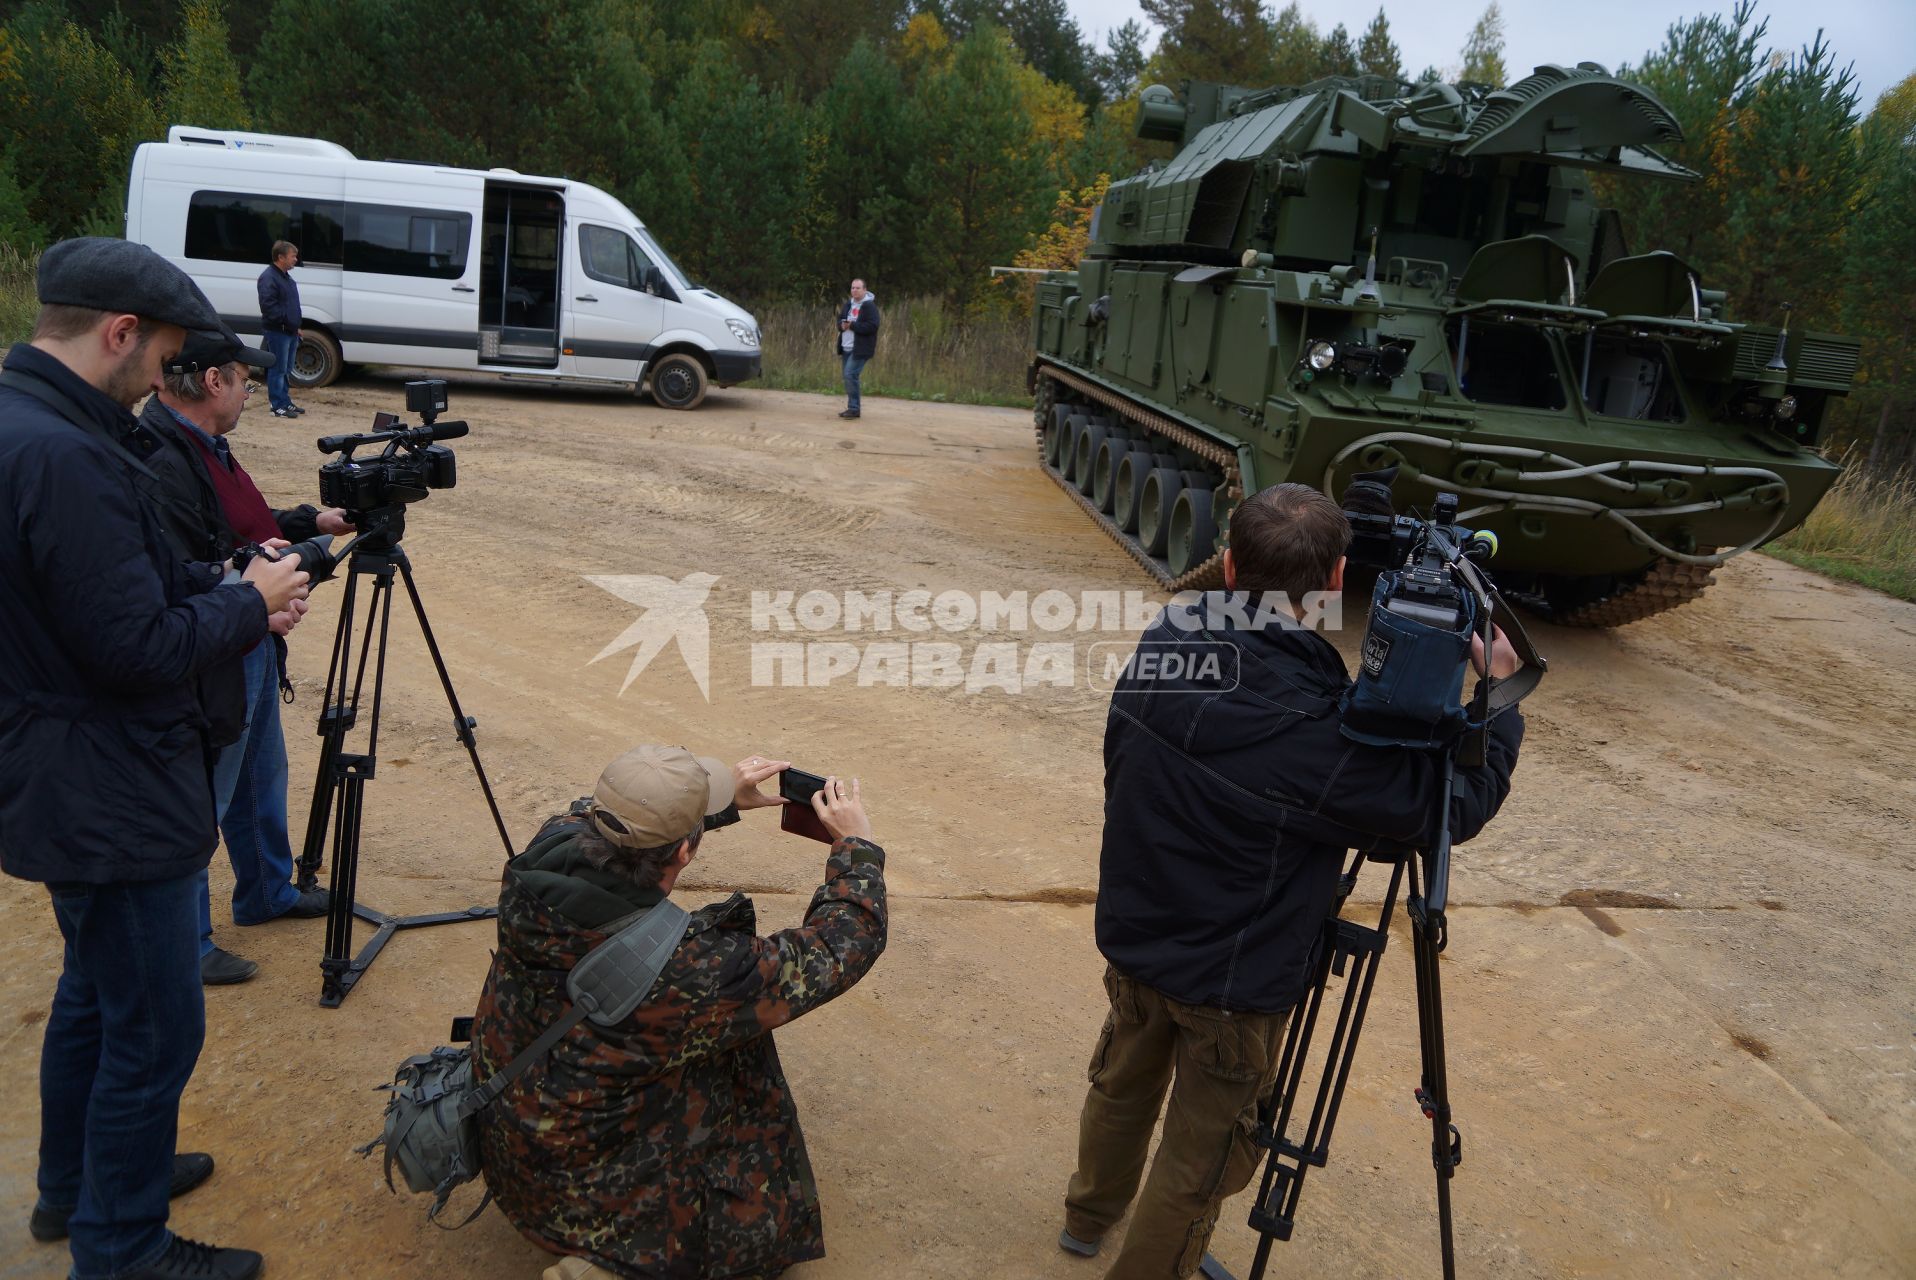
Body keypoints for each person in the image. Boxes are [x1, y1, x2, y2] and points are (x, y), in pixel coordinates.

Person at [1059, 483, 1525, 1278]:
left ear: (1230, 564)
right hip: (1233, 984)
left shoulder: (1172, 631)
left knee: (1121, 1083)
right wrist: (1501, 699)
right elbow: (1446, 809)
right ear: (1340, 581)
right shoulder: (1322, 735)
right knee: (1198, 1158)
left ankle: (1087, 1217)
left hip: (1137, 935)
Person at [1, 237, 310, 1280]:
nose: (162, 376)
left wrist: (222, 571)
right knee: (152, 1026)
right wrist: (246, 604)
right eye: (159, 353)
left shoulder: (30, 422)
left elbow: (105, 584)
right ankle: (122, 1242)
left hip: (66, 773)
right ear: (119, 333)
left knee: (95, 993)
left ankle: (72, 1188)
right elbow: (131, 647)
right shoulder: (67, 451)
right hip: (111, 785)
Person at [472, 747, 888, 1279]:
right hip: (583, 1212)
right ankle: (610, 1267)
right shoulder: (691, 968)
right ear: (686, 852)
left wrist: (711, 806)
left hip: (514, 1152)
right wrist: (856, 848)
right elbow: (839, 947)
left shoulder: (546, 852)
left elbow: (597, 818)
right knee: (739, 1064)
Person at [130, 320, 354, 984]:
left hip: (247, 637)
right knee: (204, 794)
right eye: (244, 378)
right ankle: (185, 944)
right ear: (211, 380)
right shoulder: (162, 456)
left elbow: (237, 528)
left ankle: (267, 892)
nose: (250, 390)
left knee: (260, 776)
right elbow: (186, 564)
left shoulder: (202, 442)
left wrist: (311, 523)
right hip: (214, 645)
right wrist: (252, 594)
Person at [256, 240, 303, 418]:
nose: (295, 259)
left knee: (287, 368)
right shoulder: (268, 277)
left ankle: (285, 401)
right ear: (280, 257)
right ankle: (276, 406)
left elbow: (291, 304)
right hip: (278, 331)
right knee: (278, 368)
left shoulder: (286, 277)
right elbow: (268, 306)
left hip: (290, 331)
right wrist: (284, 323)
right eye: (293, 256)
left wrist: (295, 326)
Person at [833, 278, 879, 420]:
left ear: (865, 290)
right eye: (853, 288)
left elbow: (872, 326)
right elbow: (840, 320)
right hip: (846, 346)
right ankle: (853, 408)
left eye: (858, 288)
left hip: (860, 348)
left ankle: (854, 409)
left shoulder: (869, 306)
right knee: (850, 377)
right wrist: (841, 325)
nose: (854, 291)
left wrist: (852, 326)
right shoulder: (848, 304)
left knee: (849, 374)